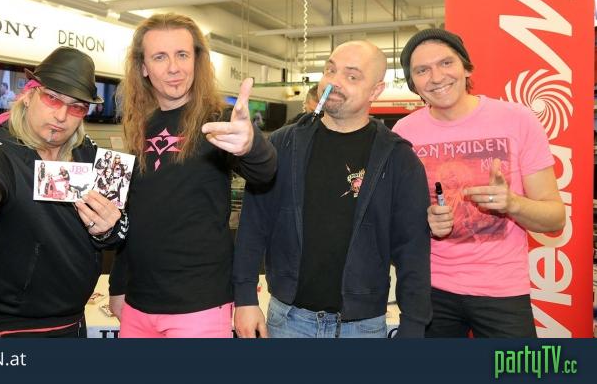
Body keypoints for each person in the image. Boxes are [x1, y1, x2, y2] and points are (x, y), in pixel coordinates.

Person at [0, 46, 127, 338]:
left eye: (77, 107)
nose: (62, 115)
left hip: (74, 321)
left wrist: (107, 228)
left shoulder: (87, 151)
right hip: (12, 330)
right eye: (52, 98)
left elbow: (119, 232)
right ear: (29, 94)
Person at [233, 40, 432, 338]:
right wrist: (245, 298)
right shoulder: (284, 144)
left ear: (376, 90)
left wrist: (414, 324)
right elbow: (254, 224)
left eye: (352, 76)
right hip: (287, 321)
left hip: (363, 328)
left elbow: (412, 249)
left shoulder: (398, 159)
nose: (335, 82)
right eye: (330, 70)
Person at [108, 13, 277, 338]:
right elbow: (132, 213)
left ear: (196, 61)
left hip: (199, 307)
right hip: (139, 304)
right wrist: (118, 284)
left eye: (182, 54)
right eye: (160, 57)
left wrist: (251, 145)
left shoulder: (220, 121)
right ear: (143, 67)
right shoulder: (138, 126)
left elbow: (265, 172)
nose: (174, 67)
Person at [391, 28, 565, 338]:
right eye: (422, 70)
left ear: (466, 67)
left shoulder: (518, 120)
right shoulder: (404, 133)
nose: (436, 77)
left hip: (503, 292)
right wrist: (426, 223)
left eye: (446, 63)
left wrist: (512, 204)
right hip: (431, 289)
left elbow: (555, 219)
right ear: (413, 83)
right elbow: (394, 221)